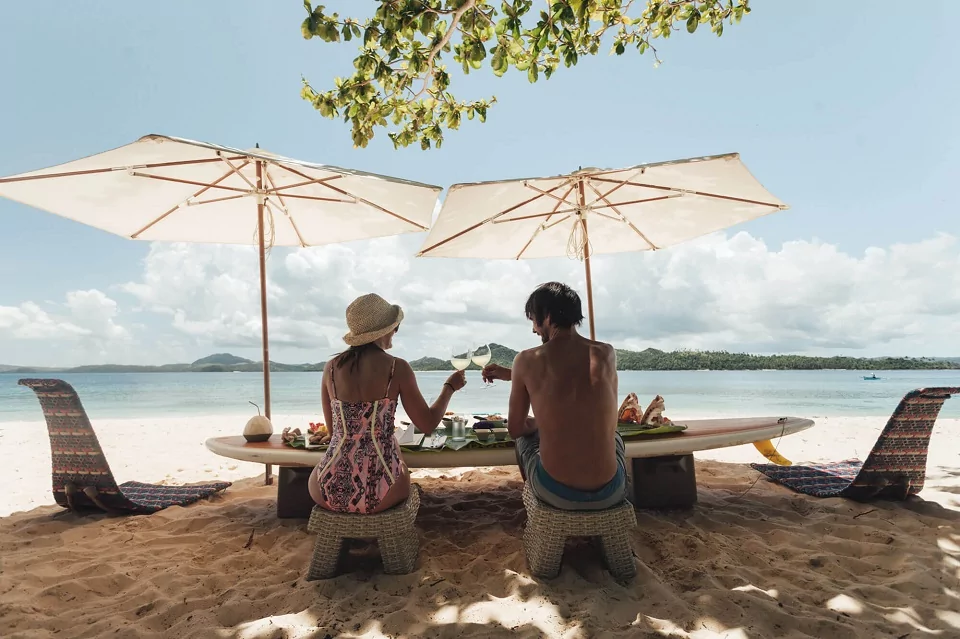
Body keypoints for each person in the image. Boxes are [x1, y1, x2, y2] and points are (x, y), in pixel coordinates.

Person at [310, 293, 466, 514]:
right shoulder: (397, 368)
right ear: (384, 331)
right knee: (400, 464)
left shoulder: (331, 368)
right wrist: (449, 387)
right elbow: (428, 424)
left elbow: (336, 431)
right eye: (395, 327)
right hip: (381, 491)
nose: (395, 332)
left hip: (325, 487)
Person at [482, 282, 626, 510]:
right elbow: (574, 381)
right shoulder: (606, 353)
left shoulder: (526, 359)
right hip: (611, 490)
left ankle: (537, 506)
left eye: (533, 320)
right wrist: (511, 375)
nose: (533, 329)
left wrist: (542, 423)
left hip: (557, 492)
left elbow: (515, 429)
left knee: (524, 439)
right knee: (615, 437)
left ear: (547, 317)